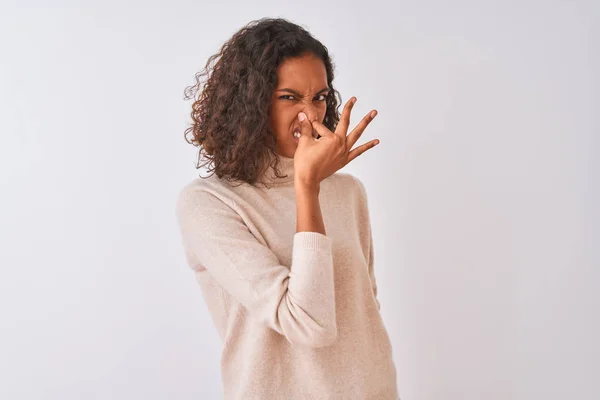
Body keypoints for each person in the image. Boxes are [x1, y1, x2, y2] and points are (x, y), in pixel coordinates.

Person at [175, 17, 399, 400]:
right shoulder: (210, 204)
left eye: (320, 97)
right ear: (250, 102)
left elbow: (365, 311)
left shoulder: (347, 192)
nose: (310, 116)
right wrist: (306, 186)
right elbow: (310, 325)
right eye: (289, 97)